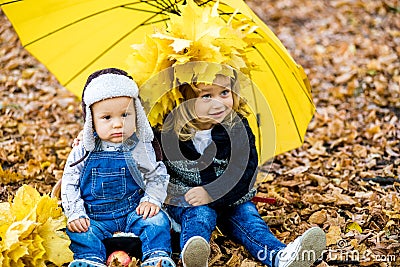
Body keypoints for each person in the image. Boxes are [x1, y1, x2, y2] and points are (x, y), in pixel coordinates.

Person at [152, 70, 327, 267]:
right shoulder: (167, 132)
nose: (218, 102)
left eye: (224, 93)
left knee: (249, 220)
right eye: (207, 96)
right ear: (184, 100)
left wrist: (212, 193)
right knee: (200, 215)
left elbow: (245, 172)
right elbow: (156, 171)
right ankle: (193, 257)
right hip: (188, 201)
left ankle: (280, 256)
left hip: (232, 198)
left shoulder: (238, 129)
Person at [61, 68, 175, 267]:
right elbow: (69, 181)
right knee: (76, 231)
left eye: (124, 115)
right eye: (107, 118)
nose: (117, 124)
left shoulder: (138, 145)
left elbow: (157, 174)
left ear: (136, 114)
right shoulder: (84, 150)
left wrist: (151, 199)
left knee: (157, 221)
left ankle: (156, 256)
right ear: (91, 121)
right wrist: (76, 213)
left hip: (133, 211)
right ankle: (90, 259)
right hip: (94, 217)